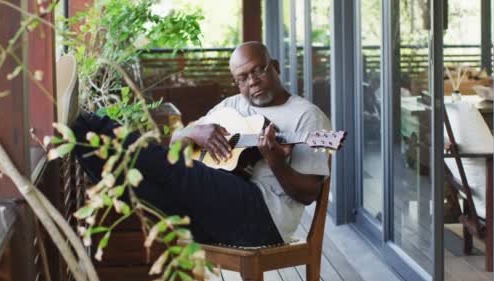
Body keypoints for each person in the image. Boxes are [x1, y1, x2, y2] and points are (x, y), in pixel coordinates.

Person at [72, 42, 330, 247]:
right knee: (139, 190)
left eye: (258, 70)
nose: (252, 81)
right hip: (219, 212)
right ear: (236, 82)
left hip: (264, 220)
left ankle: (90, 122)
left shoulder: (306, 116)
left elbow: (308, 194)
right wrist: (194, 131)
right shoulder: (231, 106)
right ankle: (76, 137)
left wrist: (275, 163)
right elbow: (176, 142)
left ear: (274, 66)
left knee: (176, 169)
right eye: (242, 77)